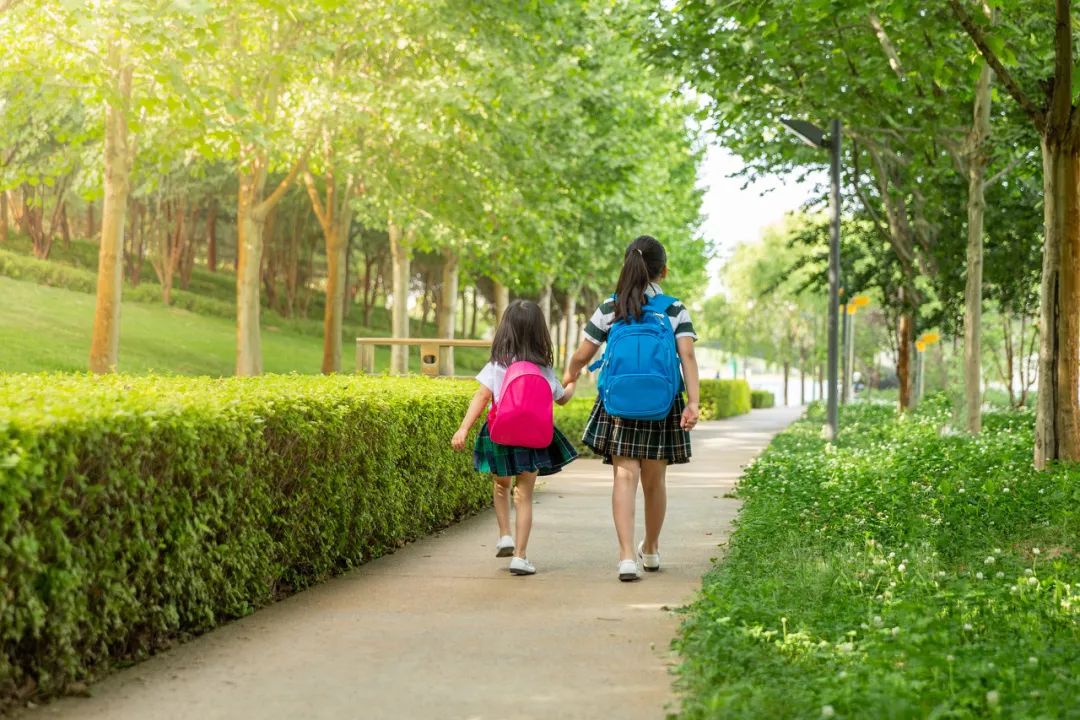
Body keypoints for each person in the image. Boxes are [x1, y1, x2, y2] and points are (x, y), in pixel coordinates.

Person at [563, 235, 700, 582]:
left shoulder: (611, 307)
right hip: (662, 403)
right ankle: (650, 550)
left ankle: (626, 557)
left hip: (620, 404)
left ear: (627, 266)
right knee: (655, 481)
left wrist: (571, 373)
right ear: (663, 271)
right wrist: (693, 402)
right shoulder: (674, 308)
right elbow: (687, 355)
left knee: (624, 477)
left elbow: (584, 353)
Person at [452, 299, 578, 576]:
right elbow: (563, 399)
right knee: (524, 495)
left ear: (505, 329)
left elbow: (482, 396)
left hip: (500, 432)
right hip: (532, 438)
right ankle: (520, 556)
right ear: (539, 333)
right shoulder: (544, 368)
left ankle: (505, 535)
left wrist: (463, 429)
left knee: (501, 486)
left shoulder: (497, 365)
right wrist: (571, 384)